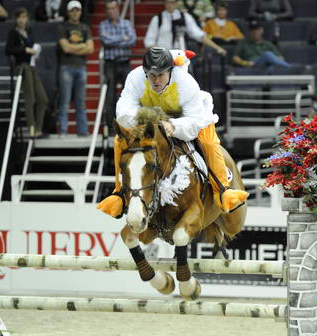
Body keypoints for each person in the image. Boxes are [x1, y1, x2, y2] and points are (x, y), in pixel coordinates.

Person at [97, 47, 249, 218]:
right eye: (151, 75)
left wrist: (174, 126)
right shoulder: (135, 77)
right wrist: (151, 122)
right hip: (150, 120)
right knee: (120, 140)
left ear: (170, 71)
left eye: (161, 75)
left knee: (208, 142)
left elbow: (194, 121)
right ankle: (120, 194)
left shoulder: (186, 82)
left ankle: (223, 190)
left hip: (188, 119)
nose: (156, 80)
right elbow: (124, 112)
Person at [6, 7, 48, 138]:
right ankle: (32, 129)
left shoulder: (29, 32)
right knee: (30, 99)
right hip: (22, 67)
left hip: (32, 66)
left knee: (43, 99)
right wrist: (25, 50)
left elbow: (33, 47)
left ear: (27, 19)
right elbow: (8, 50)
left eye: (24, 17)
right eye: (19, 17)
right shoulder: (13, 32)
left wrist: (35, 53)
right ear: (16, 19)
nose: (21, 20)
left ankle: (39, 128)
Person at [56, 0, 93, 137]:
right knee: (65, 101)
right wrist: (82, 47)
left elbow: (91, 48)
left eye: (77, 10)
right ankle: (63, 131)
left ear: (81, 12)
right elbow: (65, 47)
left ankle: (82, 131)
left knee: (80, 102)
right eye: (73, 10)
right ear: (68, 12)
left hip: (81, 68)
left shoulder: (85, 27)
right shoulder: (62, 27)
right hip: (66, 67)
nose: (75, 12)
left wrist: (72, 48)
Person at [100, 0, 136, 132]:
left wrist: (116, 39)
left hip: (125, 62)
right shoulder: (103, 25)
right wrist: (123, 39)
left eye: (113, 8)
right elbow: (105, 41)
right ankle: (111, 128)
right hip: (110, 64)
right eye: (108, 8)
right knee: (110, 97)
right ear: (106, 11)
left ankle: (128, 126)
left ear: (118, 9)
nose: (111, 11)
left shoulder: (127, 23)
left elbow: (132, 40)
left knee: (129, 95)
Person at [144, 0, 226, 55]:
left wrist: (217, 48)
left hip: (180, 56)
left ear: (177, 3)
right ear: (164, 3)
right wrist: (159, 54)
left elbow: (199, 35)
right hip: (162, 57)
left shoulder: (185, 17)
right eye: (168, 2)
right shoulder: (157, 19)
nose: (170, 5)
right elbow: (149, 41)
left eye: (172, 2)